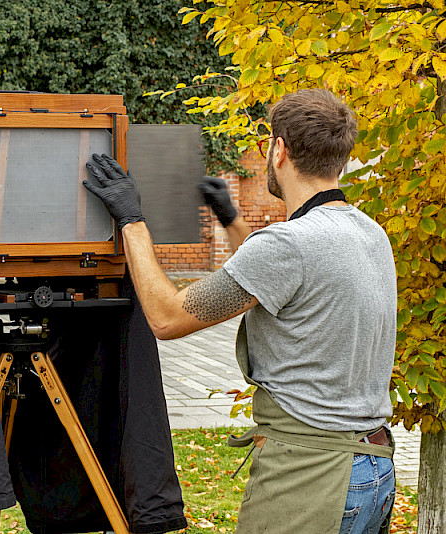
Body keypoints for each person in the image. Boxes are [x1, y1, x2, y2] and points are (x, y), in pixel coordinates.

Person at [84, 89, 396, 534]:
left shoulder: (288, 245)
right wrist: (230, 218)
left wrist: (131, 219)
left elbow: (167, 318)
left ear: (279, 150)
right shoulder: (368, 232)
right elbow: (277, 279)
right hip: (372, 467)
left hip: (311, 476)